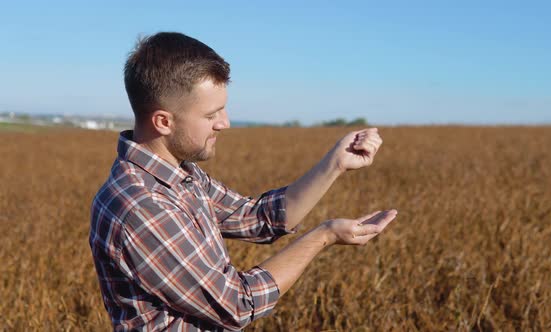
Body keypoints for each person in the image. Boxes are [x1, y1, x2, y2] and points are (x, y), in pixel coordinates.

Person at [89, 32, 397, 331]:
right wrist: (323, 236)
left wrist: (336, 163)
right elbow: (236, 304)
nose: (225, 123)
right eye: (212, 114)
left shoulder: (182, 176)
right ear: (163, 122)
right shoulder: (142, 206)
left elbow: (259, 218)